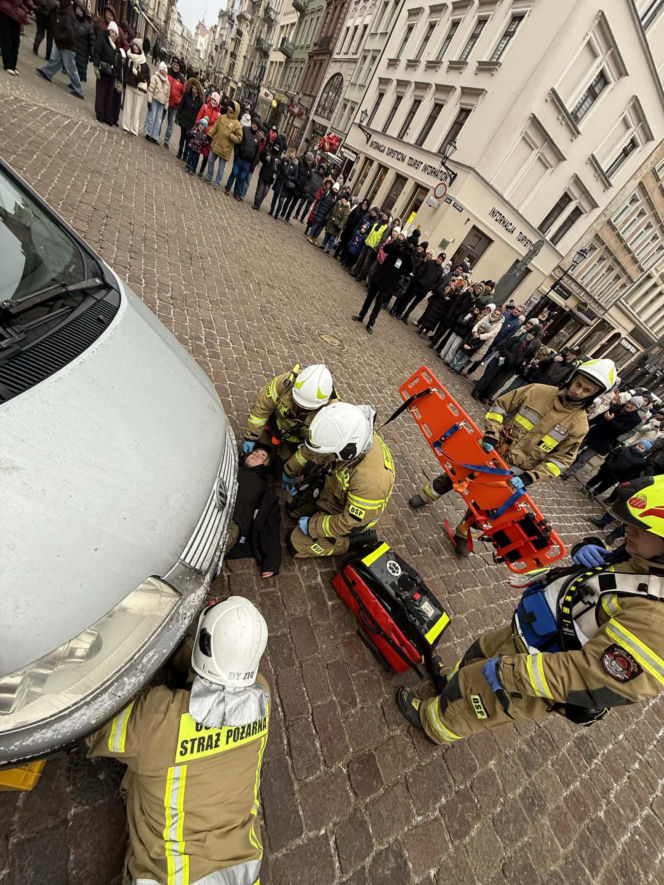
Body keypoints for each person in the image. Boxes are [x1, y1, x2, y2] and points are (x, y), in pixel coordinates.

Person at [397, 475, 664, 746]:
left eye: (642, 527)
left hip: (535, 673)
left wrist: (511, 672)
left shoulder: (657, 618)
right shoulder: (642, 559)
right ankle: (449, 684)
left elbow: (594, 675)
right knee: (474, 661)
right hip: (527, 635)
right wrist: (587, 547)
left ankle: (433, 723)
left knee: (480, 699)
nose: (628, 529)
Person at [87, 596, 270, 885]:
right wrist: (179, 644)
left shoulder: (157, 718)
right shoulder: (261, 697)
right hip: (244, 870)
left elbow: (93, 726)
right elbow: (212, 670)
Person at [409, 359, 618, 555]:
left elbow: (560, 461)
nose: (577, 391)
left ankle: (463, 531)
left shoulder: (579, 425)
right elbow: (500, 405)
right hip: (492, 451)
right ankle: (429, 495)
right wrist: (491, 434)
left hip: (516, 471)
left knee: (485, 506)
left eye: (586, 390)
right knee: (455, 474)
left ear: (594, 395)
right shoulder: (537, 391)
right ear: (573, 377)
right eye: (578, 384)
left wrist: (530, 477)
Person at [285, 402, 395, 558]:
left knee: (296, 544)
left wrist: (313, 526)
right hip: (334, 488)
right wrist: (290, 469)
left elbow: (348, 523)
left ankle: (349, 543)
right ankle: (318, 508)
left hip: (349, 517)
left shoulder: (371, 483)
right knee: (292, 506)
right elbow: (316, 449)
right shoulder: (345, 424)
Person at [243, 363, 336, 463]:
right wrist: (252, 436)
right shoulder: (285, 382)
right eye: (298, 403)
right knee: (261, 448)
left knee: (283, 463)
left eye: (307, 407)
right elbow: (263, 407)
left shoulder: (330, 413)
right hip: (274, 427)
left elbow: (314, 446)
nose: (301, 407)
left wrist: (292, 469)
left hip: (294, 442)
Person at [226, 447, 281, 578]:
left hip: (232, 523)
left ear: (267, 465)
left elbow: (271, 521)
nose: (256, 455)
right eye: (254, 452)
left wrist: (272, 561)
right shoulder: (230, 466)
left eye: (262, 455)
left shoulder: (264, 486)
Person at [562, 396, 645, 478]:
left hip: (604, 441)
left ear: (636, 408)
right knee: (573, 449)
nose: (629, 405)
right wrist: (587, 424)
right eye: (629, 402)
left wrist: (611, 420)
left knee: (584, 458)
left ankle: (569, 472)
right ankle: (562, 464)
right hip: (594, 432)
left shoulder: (635, 419)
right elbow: (599, 417)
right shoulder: (616, 407)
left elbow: (622, 430)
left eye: (633, 405)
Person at [352, 233, 413, 335]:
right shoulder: (395, 248)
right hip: (379, 276)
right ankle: (361, 315)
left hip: (389, 283)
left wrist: (408, 255)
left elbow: (409, 269)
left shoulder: (406, 257)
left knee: (379, 303)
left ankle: (371, 323)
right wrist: (396, 245)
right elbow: (385, 249)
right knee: (369, 297)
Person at [472, 330, 540, 403]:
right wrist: (508, 355)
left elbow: (527, 357)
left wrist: (523, 362)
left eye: (533, 335)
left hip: (510, 367)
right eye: (530, 333)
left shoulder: (529, 348)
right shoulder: (516, 339)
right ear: (527, 333)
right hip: (502, 361)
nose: (530, 336)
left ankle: (485, 395)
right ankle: (477, 391)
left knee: (496, 382)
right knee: (489, 376)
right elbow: (504, 347)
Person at [35, 0, 85, 99]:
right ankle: (47, 72)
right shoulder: (61, 9)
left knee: (70, 67)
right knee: (56, 61)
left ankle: (78, 89)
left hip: (67, 44)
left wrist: (59, 36)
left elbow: (70, 31)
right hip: (61, 41)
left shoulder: (68, 13)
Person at [585, 440, 652, 498]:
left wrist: (623, 478)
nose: (639, 448)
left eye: (642, 448)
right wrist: (608, 463)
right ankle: (587, 486)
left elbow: (633, 472)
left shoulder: (641, 461)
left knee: (605, 485)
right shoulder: (624, 449)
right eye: (639, 446)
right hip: (607, 469)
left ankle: (595, 493)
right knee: (597, 478)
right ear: (636, 444)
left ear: (645, 451)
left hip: (617, 476)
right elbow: (612, 454)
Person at [390, 248, 442, 322]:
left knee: (411, 303)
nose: (439, 259)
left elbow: (437, 282)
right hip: (416, 284)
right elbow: (419, 271)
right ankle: (397, 311)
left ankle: (403, 314)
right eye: (439, 257)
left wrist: (430, 287)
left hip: (423, 289)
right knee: (406, 298)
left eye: (441, 259)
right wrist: (420, 280)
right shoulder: (426, 261)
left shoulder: (440, 269)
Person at [449, 306, 502, 374]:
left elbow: (491, 334)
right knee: (460, 354)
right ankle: (453, 366)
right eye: (495, 313)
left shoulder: (499, 324)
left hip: (483, 341)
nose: (495, 315)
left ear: (499, 316)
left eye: (497, 314)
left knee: (469, 358)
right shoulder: (487, 316)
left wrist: (480, 336)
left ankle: (457, 369)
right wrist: (474, 331)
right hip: (475, 335)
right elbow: (478, 324)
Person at [205, 99, 243, 188]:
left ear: (235, 110)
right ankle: (209, 177)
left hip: (225, 149)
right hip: (216, 144)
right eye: (229, 106)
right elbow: (215, 127)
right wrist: (210, 134)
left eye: (231, 107)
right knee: (210, 160)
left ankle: (217, 182)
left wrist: (232, 136)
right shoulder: (222, 117)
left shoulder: (237, 124)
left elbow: (239, 138)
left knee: (221, 168)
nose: (229, 108)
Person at [92, 19, 123, 124]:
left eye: (115, 33)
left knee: (109, 95)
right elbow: (97, 52)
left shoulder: (116, 47)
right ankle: (99, 113)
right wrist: (96, 66)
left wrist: (119, 78)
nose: (114, 35)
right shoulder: (102, 39)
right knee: (101, 93)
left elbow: (118, 63)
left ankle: (106, 115)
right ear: (109, 30)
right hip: (103, 70)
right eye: (112, 32)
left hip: (112, 74)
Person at [225, 115, 262, 200]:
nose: (254, 125)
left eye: (256, 124)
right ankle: (228, 188)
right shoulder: (245, 129)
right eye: (253, 123)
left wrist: (254, 164)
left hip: (248, 162)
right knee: (234, 172)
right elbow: (238, 142)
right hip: (240, 158)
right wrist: (236, 153)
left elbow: (257, 153)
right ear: (251, 123)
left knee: (242, 178)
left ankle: (237, 193)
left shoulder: (259, 138)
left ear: (258, 126)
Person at [122, 37, 149, 135]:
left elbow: (146, 78)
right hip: (130, 84)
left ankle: (134, 129)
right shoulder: (129, 56)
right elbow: (125, 70)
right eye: (134, 45)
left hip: (139, 88)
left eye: (137, 45)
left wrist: (136, 73)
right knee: (128, 106)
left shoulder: (144, 62)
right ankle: (126, 125)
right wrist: (124, 81)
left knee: (136, 110)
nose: (135, 47)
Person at [351, 212, 389, 281]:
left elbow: (383, 239)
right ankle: (355, 271)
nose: (384, 216)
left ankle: (360, 276)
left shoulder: (386, 227)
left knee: (366, 263)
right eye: (384, 215)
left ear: (388, 218)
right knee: (360, 258)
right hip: (367, 242)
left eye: (386, 216)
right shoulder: (377, 221)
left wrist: (377, 247)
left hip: (373, 246)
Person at [175, 77, 204, 160]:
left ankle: (185, 155)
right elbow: (181, 106)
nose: (194, 90)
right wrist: (178, 117)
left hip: (192, 122)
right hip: (184, 119)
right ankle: (180, 152)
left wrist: (197, 123)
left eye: (196, 88)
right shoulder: (186, 95)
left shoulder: (200, 101)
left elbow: (199, 113)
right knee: (182, 137)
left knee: (189, 139)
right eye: (193, 88)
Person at [194, 91, 221, 177]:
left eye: (215, 100)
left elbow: (216, 126)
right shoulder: (205, 107)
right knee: (197, 150)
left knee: (206, 155)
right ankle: (193, 166)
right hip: (201, 131)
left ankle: (201, 170)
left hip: (210, 136)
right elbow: (199, 117)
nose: (213, 101)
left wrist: (211, 134)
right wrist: (198, 127)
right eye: (212, 99)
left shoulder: (219, 114)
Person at [144, 61, 170, 143]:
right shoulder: (155, 77)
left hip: (162, 103)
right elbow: (151, 89)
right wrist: (149, 100)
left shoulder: (167, 82)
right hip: (154, 100)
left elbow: (167, 96)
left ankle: (154, 136)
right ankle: (148, 133)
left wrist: (166, 106)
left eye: (165, 71)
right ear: (160, 70)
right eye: (162, 70)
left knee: (158, 120)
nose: (163, 72)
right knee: (151, 117)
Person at [282, 151, 313, 221]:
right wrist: (297, 182)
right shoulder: (300, 163)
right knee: (288, 201)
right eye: (310, 160)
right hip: (294, 186)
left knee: (293, 204)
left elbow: (309, 179)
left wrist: (306, 186)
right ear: (308, 159)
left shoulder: (309, 168)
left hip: (301, 189)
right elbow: (296, 174)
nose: (311, 162)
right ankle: (283, 214)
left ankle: (288, 216)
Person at [162, 57, 185, 149]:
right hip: (164, 100)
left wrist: (178, 101)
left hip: (174, 105)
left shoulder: (182, 79)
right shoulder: (167, 72)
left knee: (170, 124)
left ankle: (166, 141)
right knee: (160, 119)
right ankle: (155, 135)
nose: (175, 67)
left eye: (177, 65)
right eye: (174, 65)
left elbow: (183, 93)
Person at [253, 138, 281, 210]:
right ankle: (256, 204)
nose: (276, 148)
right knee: (260, 190)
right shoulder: (268, 152)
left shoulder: (279, 159)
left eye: (278, 147)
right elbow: (261, 158)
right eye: (276, 146)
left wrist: (276, 175)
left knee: (264, 193)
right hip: (263, 174)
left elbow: (279, 169)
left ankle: (259, 203)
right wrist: (265, 156)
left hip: (270, 179)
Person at [270, 148, 298, 218]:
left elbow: (295, 177)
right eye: (292, 152)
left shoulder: (295, 165)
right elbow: (278, 167)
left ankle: (277, 214)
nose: (292, 154)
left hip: (286, 185)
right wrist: (278, 174)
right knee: (274, 197)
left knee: (281, 201)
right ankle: (271, 210)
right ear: (289, 152)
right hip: (280, 181)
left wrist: (289, 177)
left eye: (294, 153)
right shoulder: (284, 159)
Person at [71, 1, 93, 83]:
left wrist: (92, 55)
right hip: (73, 49)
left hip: (83, 53)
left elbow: (92, 41)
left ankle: (77, 88)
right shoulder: (74, 20)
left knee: (80, 70)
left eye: (80, 9)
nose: (78, 11)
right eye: (77, 9)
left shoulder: (88, 26)